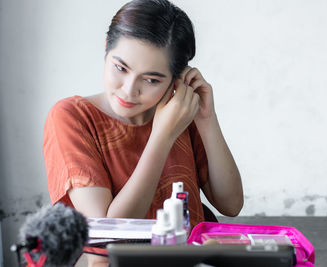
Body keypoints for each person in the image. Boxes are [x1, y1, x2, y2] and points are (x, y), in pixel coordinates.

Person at [43, 0, 243, 266]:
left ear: (177, 79)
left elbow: (231, 205)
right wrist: (162, 136)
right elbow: (109, 235)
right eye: (120, 67)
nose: (129, 90)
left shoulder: (179, 112)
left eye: (151, 79)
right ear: (106, 48)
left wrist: (206, 119)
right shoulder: (73, 116)